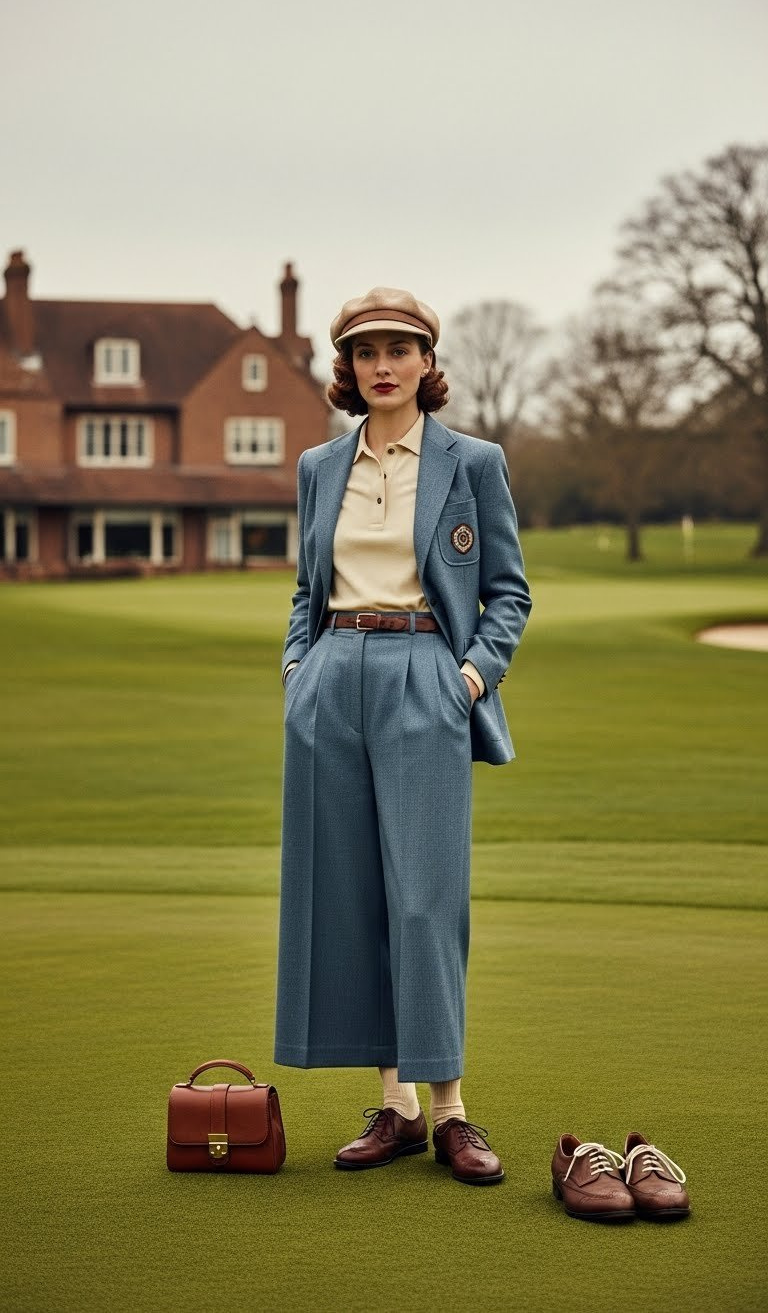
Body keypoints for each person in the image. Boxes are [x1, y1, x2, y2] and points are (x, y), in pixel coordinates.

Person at [273, 286, 532, 1185]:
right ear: (347, 368)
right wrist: (297, 674)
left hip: (428, 674)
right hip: (333, 679)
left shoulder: (474, 462)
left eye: (401, 347)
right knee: (354, 898)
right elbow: (307, 591)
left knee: (424, 899)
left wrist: (468, 677)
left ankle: (454, 1111)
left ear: (427, 362)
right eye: (365, 350)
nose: (383, 363)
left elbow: (510, 592)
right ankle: (398, 1107)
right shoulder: (316, 466)